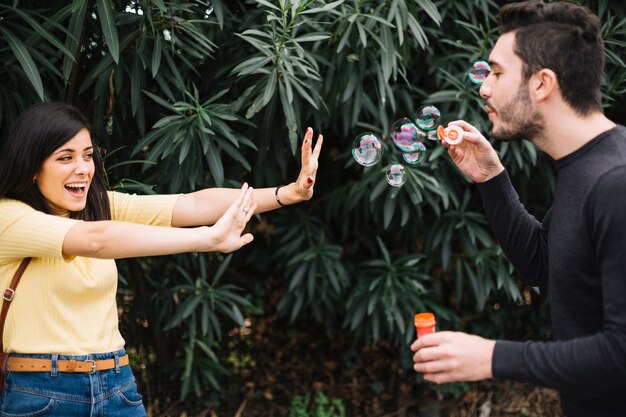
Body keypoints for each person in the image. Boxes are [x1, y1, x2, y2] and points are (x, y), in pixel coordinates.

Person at [0, 102, 323, 416]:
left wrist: (288, 192)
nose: (83, 168)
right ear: (31, 167)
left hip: (116, 382)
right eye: (65, 158)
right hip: (43, 390)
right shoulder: (8, 217)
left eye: (87, 155)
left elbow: (194, 206)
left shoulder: (96, 206)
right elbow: (96, 240)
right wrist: (206, 239)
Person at [411, 1, 626, 416]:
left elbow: (621, 352)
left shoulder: (616, 183)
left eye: (496, 72)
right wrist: (492, 178)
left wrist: (492, 356)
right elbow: (542, 264)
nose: (484, 88)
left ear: (542, 83)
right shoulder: (584, 166)